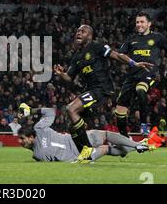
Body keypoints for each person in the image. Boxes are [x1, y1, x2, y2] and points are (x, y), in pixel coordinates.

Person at [53, 24, 153, 157]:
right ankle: (129, 147)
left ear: (90, 36)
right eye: (77, 31)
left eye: (83, 31)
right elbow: (69, 77)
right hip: (92, 90)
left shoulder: (97, 46)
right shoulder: (77, 56)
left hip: (102, 89)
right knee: (73, 126)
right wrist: (61, 74)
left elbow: (117, 56)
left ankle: (87, 151)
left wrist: (134, 63)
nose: (79, 33)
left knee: (71, 109)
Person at [114, 12, 167, 137]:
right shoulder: (131, 38)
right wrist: (132, 62)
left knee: (140, 89)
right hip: (132, 76)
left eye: (142, 22)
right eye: (137, 22)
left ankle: (144, 125)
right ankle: (124, 139)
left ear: (149, 23)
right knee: (119, 112)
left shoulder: (158, 37)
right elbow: (119, 55)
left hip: (149, 74)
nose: (139, 24)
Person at [17, 103, 154, 163]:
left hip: (77, 141)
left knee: (105, 137)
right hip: (80, 155)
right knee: (106, 147)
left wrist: (31, 111)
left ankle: (137, 145)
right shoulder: (37, 154)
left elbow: (50, 112)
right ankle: (139, 145)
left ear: (31, 136)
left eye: (22, 139)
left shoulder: (39, 129)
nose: (20, 142)